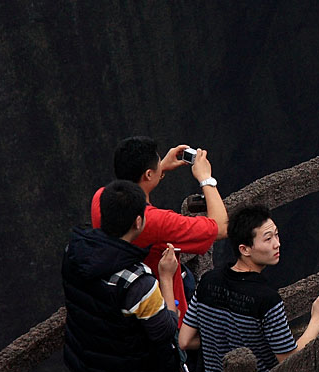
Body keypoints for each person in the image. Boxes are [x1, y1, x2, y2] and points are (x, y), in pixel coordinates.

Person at [178, 205, 319, 372]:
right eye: (268, 238)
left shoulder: (208, 282)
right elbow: (290, 360)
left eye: (277, 235)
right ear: (245, 249)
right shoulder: (266, 299)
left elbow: (185, 340)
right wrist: (317, 319)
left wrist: (226, 341)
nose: (277, 244)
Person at [62, 180, 180, 372]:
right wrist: (166, 278)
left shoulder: (73, 254)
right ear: (139, 221)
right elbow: (164, 330)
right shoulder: (137, 281)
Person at [90, 136, 229, 325]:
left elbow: (134, 189)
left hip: (122, 298)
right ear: (148, 174)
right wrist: (206, 178)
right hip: (163, 307)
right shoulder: (156, 222)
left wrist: (160, 167)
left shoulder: (101, 198)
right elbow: (221, 228)